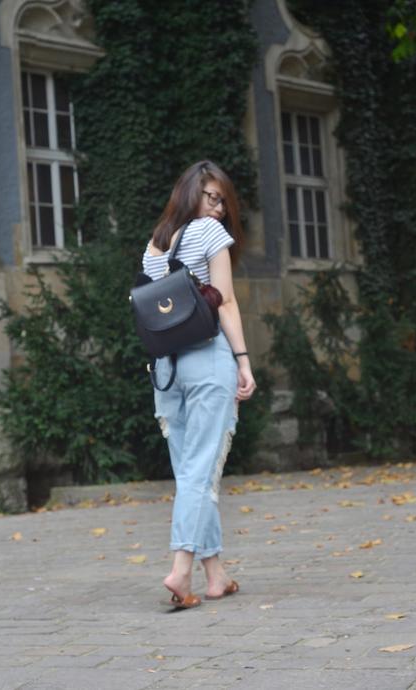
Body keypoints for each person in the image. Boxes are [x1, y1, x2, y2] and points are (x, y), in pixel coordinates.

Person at [142, 160, 256, 609]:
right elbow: (225, 302)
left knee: (191, 473)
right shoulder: (208, 234)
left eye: (225, 201)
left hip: (166, 370)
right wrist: (244, 361)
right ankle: (180, 569)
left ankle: (215, 574)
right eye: (213, 198)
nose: (221, 209)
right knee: (201, 472)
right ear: (190, 195)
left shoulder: (155, 245)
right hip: (208, 361)